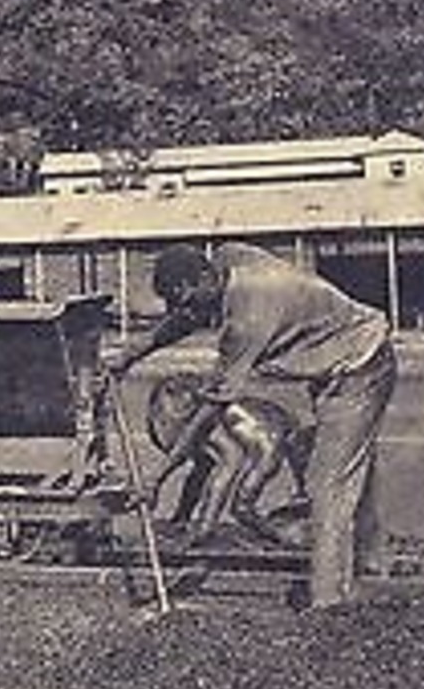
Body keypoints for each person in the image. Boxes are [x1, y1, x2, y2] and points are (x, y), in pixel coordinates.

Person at [109, 242, 396, 608]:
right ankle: (369, 567)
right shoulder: (227, 262)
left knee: (327, 484)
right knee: (352, 472)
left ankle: (330, 602)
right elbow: (187, 317)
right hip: (344, 358)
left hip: (360, 367)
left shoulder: (245, 322)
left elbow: (210, 411)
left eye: (184, 297)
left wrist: (157, 477)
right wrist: (131, 354)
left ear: (204, 277)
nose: (184, 310)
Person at [145, 372, 312, 544]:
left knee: (241, 508)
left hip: (269, 443)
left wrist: (205, 526)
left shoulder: (216, 414)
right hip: (273, 435)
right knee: (209, 472)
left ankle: (289, 539)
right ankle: (186, 522)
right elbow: (197, 469)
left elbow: (220, 468)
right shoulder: (216, 427)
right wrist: (181, 516)